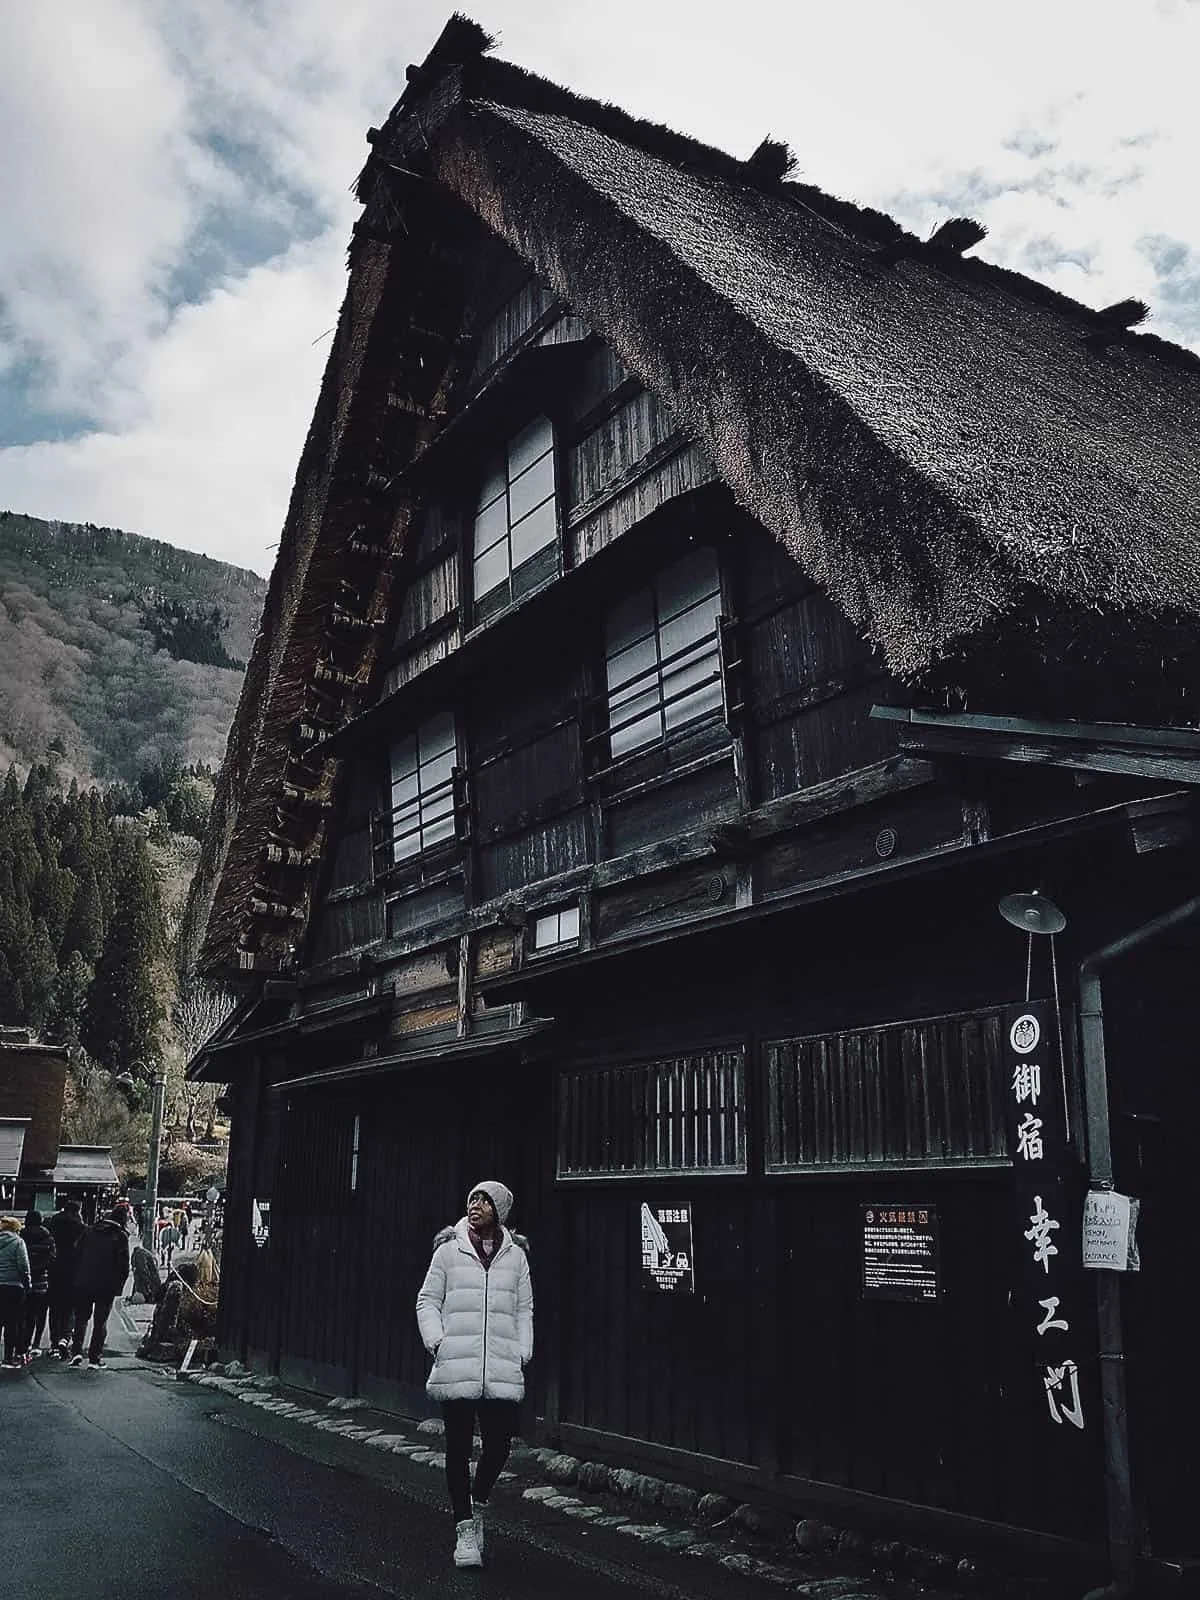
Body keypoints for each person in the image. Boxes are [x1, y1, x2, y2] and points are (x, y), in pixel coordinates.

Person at [416, 1180, 533, 1570]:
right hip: (457, 1362)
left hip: (501, 1363)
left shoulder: (515, 1257)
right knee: (458, 1449)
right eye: (472, 1199)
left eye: (485, 1201)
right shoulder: (448, 1251)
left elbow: (524, 1308)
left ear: (499, 1211)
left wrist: (523, 1349)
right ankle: (465, 1530)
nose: (475, 1205)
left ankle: (477, 1503)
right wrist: (437, 1341)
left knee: (499, 1446)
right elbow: (427, 1300)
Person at [69, 1205, 131, 1369]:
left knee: (81, 1318)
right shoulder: (120, 1236)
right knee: (100, 1321)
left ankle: (76, 1352)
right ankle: (94, 1358)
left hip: (84, 1281)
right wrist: (119, 1286)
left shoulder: (89, 1231)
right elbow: (124, 1265)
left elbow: (76, 1253)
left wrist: (76, 1276)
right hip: (106, 1285)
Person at [47, 1199, 86, 1356]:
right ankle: (65, 1338)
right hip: (73, 1272)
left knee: (54, 1308)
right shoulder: (81, 1228)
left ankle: (54, 1343)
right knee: (69, 1308)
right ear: (77, 1211)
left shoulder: (53, 1223)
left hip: (54, 1270)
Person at [19, 1209, 55, 1359]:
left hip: (24, 1281)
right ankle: (36, 1344)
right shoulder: (48, 1237)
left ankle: (24, 1344)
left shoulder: (21, 1236)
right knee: (41, 1313)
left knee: (26, 1314)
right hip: (42, 1281)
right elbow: (52, 1258)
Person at [0, 1217, 31, 1369]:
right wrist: (27, 1283)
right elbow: (23, 1265)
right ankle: (8, 1358)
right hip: (13, 1287)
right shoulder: (18, 1242)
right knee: (12, 1323)